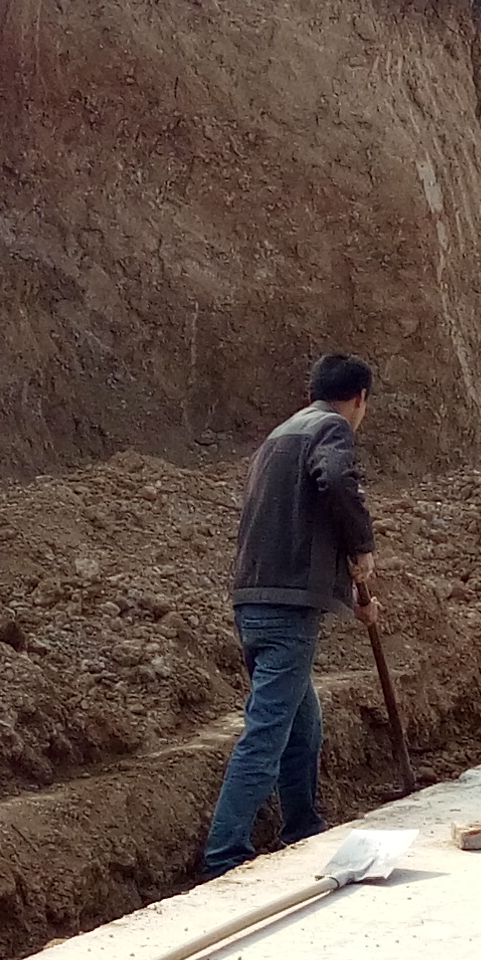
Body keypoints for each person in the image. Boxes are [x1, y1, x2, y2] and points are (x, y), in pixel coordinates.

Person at [204, 352, 380, 877]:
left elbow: (299, 518)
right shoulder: (330, 428)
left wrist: (350, 595)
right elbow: (335, 480)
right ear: (359, 400)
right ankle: (224, 855)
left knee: (303, 723)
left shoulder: (279, 436)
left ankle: (302, 825)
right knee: (268, 731)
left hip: (253, 597)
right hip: (286, 607)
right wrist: (361, 546)